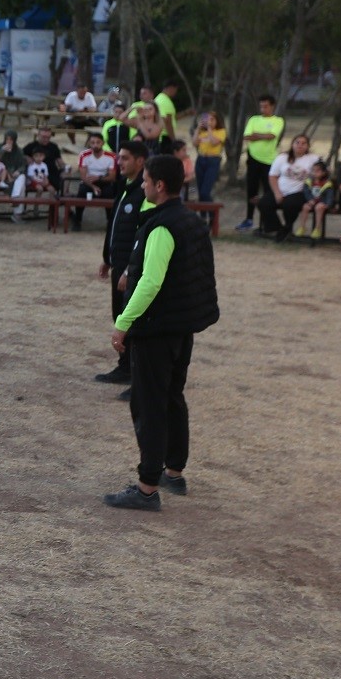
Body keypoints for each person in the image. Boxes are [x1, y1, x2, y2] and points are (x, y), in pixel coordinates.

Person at [103, 154, 219, 511]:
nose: (142, 185)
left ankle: (147, 487)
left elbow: (151, 282)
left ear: (160, 186)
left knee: (150, 404)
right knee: (172, 397)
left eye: (146, 180)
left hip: (157, 330)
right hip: (182, 327)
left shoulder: (162, 226)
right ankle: (173, 472)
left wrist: (123, 323)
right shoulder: (190, 220)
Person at [95, 141, 150, 392]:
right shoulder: (126, 188)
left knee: (133, 319)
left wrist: (130, 269)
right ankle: (124, 366)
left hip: (133, 269)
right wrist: (108, 258)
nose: (120, 162)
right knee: (119, 315)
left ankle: (138, 374)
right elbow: (116, 226)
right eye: (119, 158)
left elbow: (142, 235)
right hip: (118, 263)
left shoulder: (144, 193)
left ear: (140, 161)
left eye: (125, 158)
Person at [237, 94, 284, 232]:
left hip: (269, 161)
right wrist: (262, 135)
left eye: (266, 106)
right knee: (252, 190)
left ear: (272, 106)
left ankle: (266, 222)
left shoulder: (278, 120)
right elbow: (246, 136)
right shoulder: (254, 119)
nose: (263, 109)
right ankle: (249, 219)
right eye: (261, 106)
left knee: (268, 192)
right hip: (253, 159)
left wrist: (256, 135)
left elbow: (272, 136)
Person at [257, 134, 317, 241]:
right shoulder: (282, 158)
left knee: (289, 205)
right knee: (263, 203)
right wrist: (277, 193)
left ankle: (288, 226)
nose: (300, 145)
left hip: (299, 191)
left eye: (304, 143)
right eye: (297, 142)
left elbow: (322, 173)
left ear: (308, 146)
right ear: (292, 144)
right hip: (280, 189)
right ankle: (277, 229)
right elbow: (272, 176)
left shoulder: (313, 159)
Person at [73, 133, 116, 229]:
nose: (95, 145)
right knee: (81, 193)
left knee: (109, 193)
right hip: (88, 182)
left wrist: (99, 178)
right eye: (92, 142)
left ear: (103, 143)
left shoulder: (110, 157)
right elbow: (83, 176)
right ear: (89, 143)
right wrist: (93, 186)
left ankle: (110, 222)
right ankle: (77, 220)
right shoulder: (84, 155)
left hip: (104, 181)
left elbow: (112, 177)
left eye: (98, 142)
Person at [293, 161, 336, 242]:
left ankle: (317, 229)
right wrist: (310, 200)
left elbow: (330, 195)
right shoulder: (309, 182)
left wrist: (328, 204)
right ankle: (302, 227)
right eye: (313, 170)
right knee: (305, 207)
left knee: (319, 207)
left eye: (317, 171)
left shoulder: (327, 183)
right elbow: (306, 192)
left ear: (323, 172)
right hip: (312, 202)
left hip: (322, 204)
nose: (314, 173)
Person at [192, 112, 227, 203]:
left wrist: (209, 129)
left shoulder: (221, 131)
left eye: (212, 119)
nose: (209, 122)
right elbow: (194, 143)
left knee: (205, 192)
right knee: (200, 191)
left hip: (213, 161)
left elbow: (214, 142)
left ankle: (212, 214)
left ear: (217, 121)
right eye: (208, 119)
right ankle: (203, 215)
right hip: (201, 159)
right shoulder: (202, 132)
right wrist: (198, 128)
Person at [23, 127, 65, 196]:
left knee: (66, 174)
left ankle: (63, 196)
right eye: (44, 137)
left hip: (52, 173)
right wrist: (26, 157)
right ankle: (37, 205)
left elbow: (59, 161)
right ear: (38, 136)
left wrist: (65, 167)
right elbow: (21, 154)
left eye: (48, 137)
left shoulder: (53, 146)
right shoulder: (31, 146)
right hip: (36, 174)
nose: (46, 139)